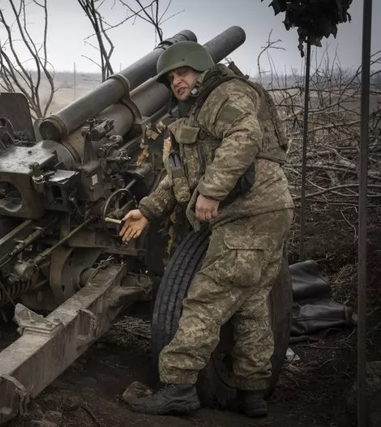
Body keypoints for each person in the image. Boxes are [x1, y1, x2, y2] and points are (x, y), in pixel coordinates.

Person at [119, 41, 294, 417]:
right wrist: (148, 212)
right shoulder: (198, 112)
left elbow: (245, 136)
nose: (176, 81)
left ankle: (179, 387)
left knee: (206, 298)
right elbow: (181, 174)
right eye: (170, 77)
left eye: (182, 72)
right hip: (267, 210)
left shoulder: (225, 92)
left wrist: (213, 192)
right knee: (250, 304)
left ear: (200, 68)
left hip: (250, 213)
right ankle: (252, 393)